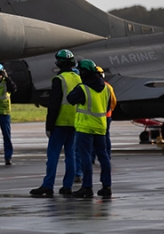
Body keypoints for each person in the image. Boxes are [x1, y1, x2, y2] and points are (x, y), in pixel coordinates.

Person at [30, 50, 82, 198]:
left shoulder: (59, 79)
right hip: (75, 122)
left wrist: (49, 125)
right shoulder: (78, 78)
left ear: (58, 63)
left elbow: (54, 104)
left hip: (60, 122)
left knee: (53, 155)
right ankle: (67, 186)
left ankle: (48, 185)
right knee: (70, 155)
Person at [66, 59, 112, 198]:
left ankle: (87, 187)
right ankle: (106, 186)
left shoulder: (83, 88)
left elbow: (70, 99)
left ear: (84, 72)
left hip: (85, 127)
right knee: (103, 157)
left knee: (85, 157)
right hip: (100, 126)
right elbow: (108, 105)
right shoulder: (105, 87)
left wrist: (77, 86)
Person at [93, 66, 117, 161]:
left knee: (92, 138)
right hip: (106, 117)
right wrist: (110, 111)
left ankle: (92, 157)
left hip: (93, 117)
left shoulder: (88, 86)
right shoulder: (108, 87)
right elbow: (113, 101)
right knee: (105, 137)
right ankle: (106, 156)